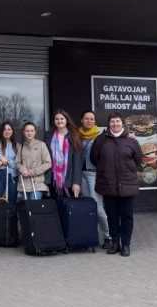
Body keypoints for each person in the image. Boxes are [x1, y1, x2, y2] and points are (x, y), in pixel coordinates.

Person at [90, 112, 142, 257]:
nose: (115, 124)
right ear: (108, 124)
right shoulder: (101, 140)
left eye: (118, 121)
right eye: (112, 122)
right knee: (112, 216)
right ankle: (114, 243)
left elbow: (138, 159)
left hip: (127, 184)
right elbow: (94, 158)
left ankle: (126, 245)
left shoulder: (131, 140)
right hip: (108, 184)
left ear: (122, 123)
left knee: (126, 216)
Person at [79, 110, 112, 249]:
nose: (88, 121)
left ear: (95, 121)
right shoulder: (77, 135)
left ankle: (108, 236)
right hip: (81, 174)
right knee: (87, 208)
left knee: (98, 207)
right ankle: (91, 237)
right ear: (82, 120)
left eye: (91, 119)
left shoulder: (102, 135)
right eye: (86, 118)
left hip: (94, 174)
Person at [44, 110, 83, 199]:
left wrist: (76, 182)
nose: (59, 121)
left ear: (67, 120)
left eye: (62, 118)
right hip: (52, 177)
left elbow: (77, 161)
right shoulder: (48, 135)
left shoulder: (74, 135)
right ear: (54, 121)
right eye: (57, 119)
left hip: (69, 177)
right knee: (54, 205)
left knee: (68, 207)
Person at [16, 122, 52, 200]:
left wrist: (31, 172)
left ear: (35, 132)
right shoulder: (21, 147)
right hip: (23, 184)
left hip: (37, 183)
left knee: (34, 206)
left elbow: (48, 163)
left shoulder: (41, 145)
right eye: (27, 131)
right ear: (23, 132)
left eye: (32, 131)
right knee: (26, 208)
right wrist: (22, 170)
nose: (29, 133)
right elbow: (18, 163)